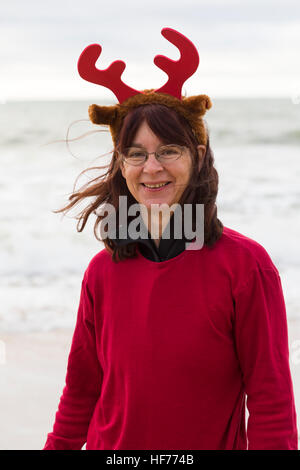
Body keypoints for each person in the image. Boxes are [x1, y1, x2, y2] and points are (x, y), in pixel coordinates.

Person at [43, 28, 298, 450]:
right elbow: (80, 396)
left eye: (169, 151)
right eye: (137, 153)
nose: (152, 167)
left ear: (198, 157)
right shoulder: (102, 272)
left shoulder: (245, 266)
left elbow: (271, 403)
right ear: (121, 165)